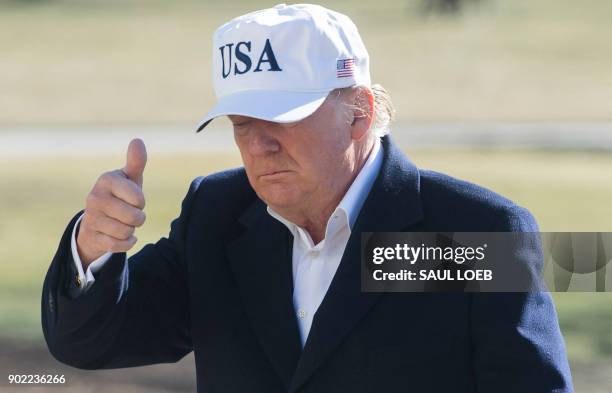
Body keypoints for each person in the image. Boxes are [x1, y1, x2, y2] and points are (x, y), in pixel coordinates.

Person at [42, 4, 573, 392]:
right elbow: (90, 343)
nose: (259, 143)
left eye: (285, 117)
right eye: (242, 123)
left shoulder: (477, 233)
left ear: (360, 112)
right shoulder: (217, 214)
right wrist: (93, 251)